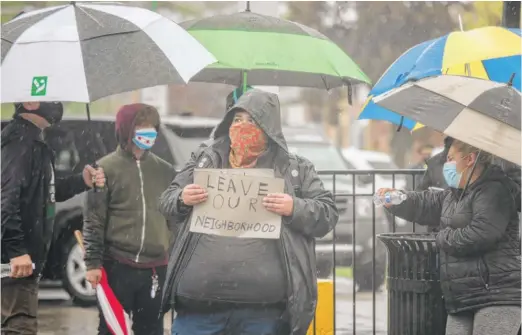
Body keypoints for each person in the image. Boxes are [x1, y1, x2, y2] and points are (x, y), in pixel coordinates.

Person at [158, 89, 339, 335]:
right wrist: (182, 198)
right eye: (237, 120)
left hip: (263, 313)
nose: (243, 127)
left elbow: (327, 214)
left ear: (268, 128)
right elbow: (166, 201)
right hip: (199, 309)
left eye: (252, 121)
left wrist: (294, 207)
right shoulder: (206, 159)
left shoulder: (295, 169)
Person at [378, 139, 521, 335]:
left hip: (495, 296)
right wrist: (398, 199)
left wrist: (441, 238)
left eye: (451, 158)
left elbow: (481, 234)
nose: (447, 165)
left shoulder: (494, 190)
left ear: (470, 159)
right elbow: (426, 203)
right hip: (462, 298)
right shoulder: (455, 195)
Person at [1, 102, 105, 334]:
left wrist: (81, 181)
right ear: (31, 102)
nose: (58, 106)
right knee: (19, 327)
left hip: (25, 260)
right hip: (14, 264)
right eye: (53, 99)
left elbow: (44, 190)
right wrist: (16, 250)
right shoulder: (20, 144)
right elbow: (5, 200)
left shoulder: (33, 142)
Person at [83, 103, 176, 335]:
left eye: (152, 126)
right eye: (141, 126)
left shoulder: (165, 170)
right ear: (126, 129)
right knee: (112, 329)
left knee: (151, 329)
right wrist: (93, 264)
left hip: (156, 269)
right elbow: (94, 219)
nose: (149, 132)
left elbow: (173, 220)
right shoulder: (105, 169)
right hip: (117, 265)